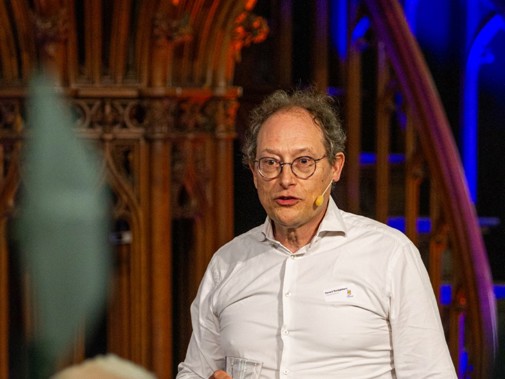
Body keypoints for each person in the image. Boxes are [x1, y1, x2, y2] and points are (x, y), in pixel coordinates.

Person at [176, 89, 457, 378]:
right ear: (253, 172)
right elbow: (195, 371)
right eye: (271, 163)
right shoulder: (227, 264)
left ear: (335, 167)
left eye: (303, 162)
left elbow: (432, 374)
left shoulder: (389, 255)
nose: (286, 179)